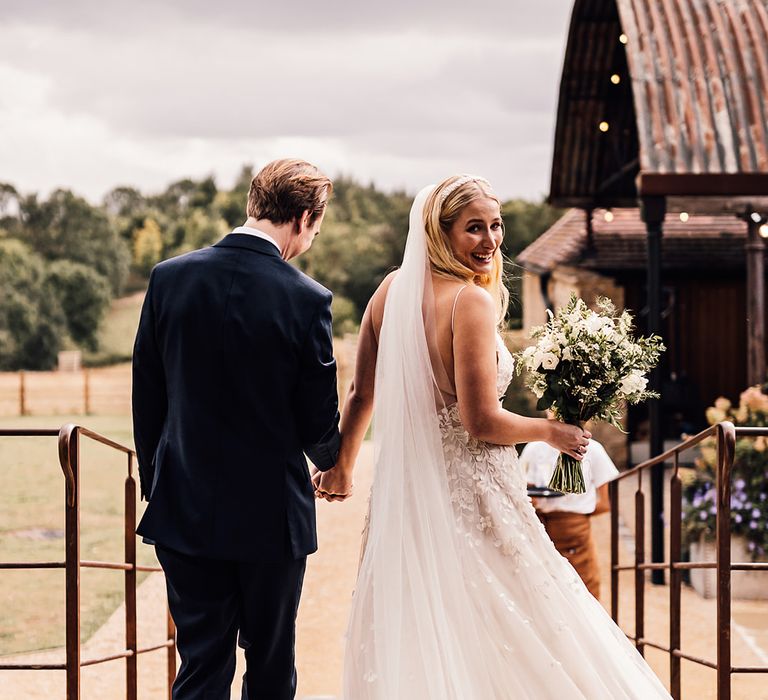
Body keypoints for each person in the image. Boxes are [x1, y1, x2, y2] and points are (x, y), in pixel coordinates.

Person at [315, 175, 671, 699]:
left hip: (408, 497)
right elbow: (480, 421)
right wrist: (552, 431)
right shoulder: (469, 303)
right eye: (473, 228)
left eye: (496, 225)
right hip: (477, 494)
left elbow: (359, 396)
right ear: (439, 233)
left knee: (429, 619)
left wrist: (342, 466)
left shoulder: (389, 290)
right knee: (520, 615)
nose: (490, 240)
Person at [132, 158, 343, 700]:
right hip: (272, 518)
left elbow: (147, 398)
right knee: (271, 667)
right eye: (315, 228)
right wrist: (331, 456)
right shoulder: (307, 299)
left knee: (201, 665)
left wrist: (161, 484)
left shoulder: (168, 279)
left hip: (184, 510)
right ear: (302, 217)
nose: (312, 240)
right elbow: (318, 423)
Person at [520, 432, 619, 599]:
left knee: (549, 589)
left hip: (549, 528)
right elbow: (606, 503)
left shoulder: (533, 447)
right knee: (580, 590)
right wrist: (579, 510)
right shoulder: (592, 449)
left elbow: (525, 493)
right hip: (552, 526)